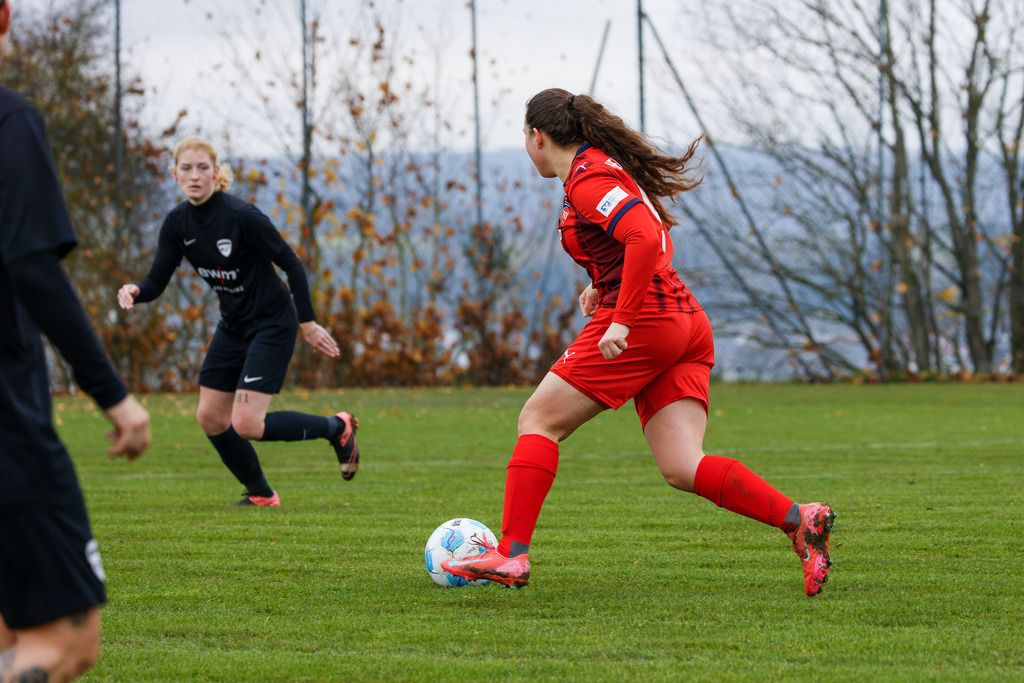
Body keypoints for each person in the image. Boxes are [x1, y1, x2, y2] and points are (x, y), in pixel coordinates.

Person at [443, 88, 836, 596]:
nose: (525, 145)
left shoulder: (587, 179)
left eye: (524, 135)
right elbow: (652, 237)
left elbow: (646, 240)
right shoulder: (597, 168)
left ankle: (511, 555)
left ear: (538, 137)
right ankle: (799, 519)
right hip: (683, 319)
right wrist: (602, 285)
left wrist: (621, 319)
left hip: (649, 323)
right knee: (681, 466)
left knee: (537, 420)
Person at [0, 0, 152, 679]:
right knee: (60, 645)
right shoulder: (10, 118)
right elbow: (31, 263)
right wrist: (113, 394)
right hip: (7, 424)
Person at [117, 136, 361, 507]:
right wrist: (136, 290)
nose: (194, 175)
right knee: (211, 418)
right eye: (186, 168)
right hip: (234, 325)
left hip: (274, 321)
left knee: (247, 423)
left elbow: (291, 264)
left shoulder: (241, 216)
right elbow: (156, 281)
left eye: (202, 168)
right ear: (174, 174)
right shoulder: (177, 223)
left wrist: (307, 324)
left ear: (216, 173)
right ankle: (262, 494)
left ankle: (337, 427)